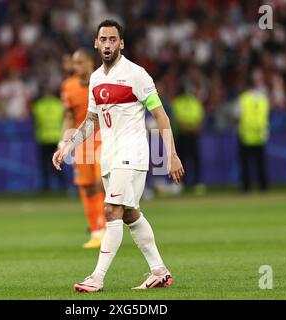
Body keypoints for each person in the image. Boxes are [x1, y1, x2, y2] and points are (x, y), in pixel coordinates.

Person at [53, 20, 184, 292]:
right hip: (109, 155)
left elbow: (160, 115)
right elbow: (91, 120)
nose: (108, 44)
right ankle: (159, 270)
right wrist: (67, 145)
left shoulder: (137, 75)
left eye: (113, 39)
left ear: (121, 44)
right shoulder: (96, 79)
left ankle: (97, 277)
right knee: (129, 214)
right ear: (96, 43)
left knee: (111, 210)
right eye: (104, 39)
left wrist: (170, 154)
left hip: (132, 153)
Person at [59, 49, 107, 249]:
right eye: (75, 63)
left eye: (81, 62)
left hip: (104, 139)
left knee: (101, 183)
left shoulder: (102, 81)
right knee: (86, 187)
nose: (77, 66)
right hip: (82, 142)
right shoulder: (69, 86)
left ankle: (105, 229)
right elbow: (69, 115)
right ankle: (95, 232)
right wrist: (64, 141)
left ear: (90, 62)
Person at [236, 78, 270, 192]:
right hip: (260, 135)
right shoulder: (263, 99)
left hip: (246, 135)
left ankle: (246, 187)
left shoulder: (243, 99)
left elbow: (237, 116)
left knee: (246, 164)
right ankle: (263, 186)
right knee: (261, 163)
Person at [32, 86, 68, 191]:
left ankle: (46, 187)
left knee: (44, 165)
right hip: (56, 138)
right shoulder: (59, 104)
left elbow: (35, 122)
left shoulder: (38, 105)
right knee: (57, 164)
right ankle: (63, 187)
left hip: (43, 138)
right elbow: (65, 120)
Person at [171, 87, 205, 194]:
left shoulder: (195, 102)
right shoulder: (177, 102)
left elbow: (200, 118)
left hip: (193, 135)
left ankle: (197, 182)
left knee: (195, 159)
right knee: (182, 160)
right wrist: (189, 128)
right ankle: (181, 183)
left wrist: (193, 128)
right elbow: (176, 119)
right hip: (182, 135)